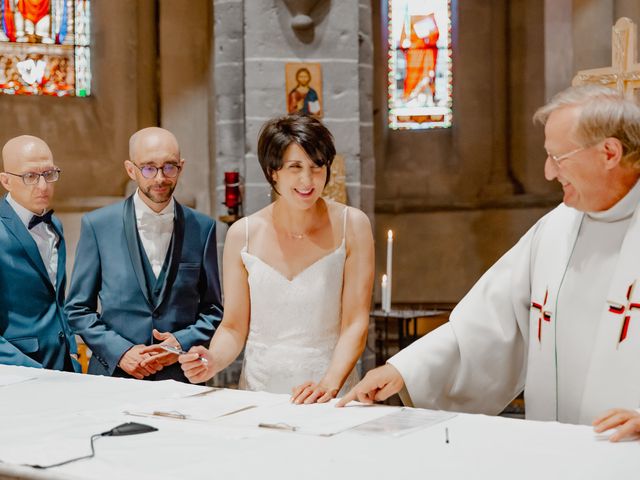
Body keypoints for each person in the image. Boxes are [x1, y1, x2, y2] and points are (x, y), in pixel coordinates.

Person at [338, 85, 640, 441]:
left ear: (609, 153)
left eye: (558, 158)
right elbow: (489, 322)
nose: (547, 172)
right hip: (556, 449)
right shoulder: (556, 230)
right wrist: (407, 369)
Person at [178, 114, 374, 403]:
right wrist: (212, 359)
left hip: (329, 392)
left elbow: (355, 322)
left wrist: (329, 385)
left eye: (317, 166)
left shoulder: (352, 225)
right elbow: (233, 326)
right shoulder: (242, 235)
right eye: (295, 167)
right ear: (273, 172)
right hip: (260, 394)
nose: (307, 180)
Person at [65, 127, 223, 382]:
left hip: (181, 378)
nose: (160, 178)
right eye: (149, 168)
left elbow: (213, 309)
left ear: (181, 167)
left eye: (169, 167)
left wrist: (180, 343)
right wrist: (122, 352)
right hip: (114, 376)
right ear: (131, 169)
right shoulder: (98, 225)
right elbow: (77, 309)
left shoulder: (203, 228)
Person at [0, 135, 79, 372]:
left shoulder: (55, 225)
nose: (43, 186)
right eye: (30, 177)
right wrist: (30, 369)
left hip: (64, 366)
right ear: (6, 181)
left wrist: (72, 349)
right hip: (18, 369)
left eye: (49, 174)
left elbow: (58, 300)